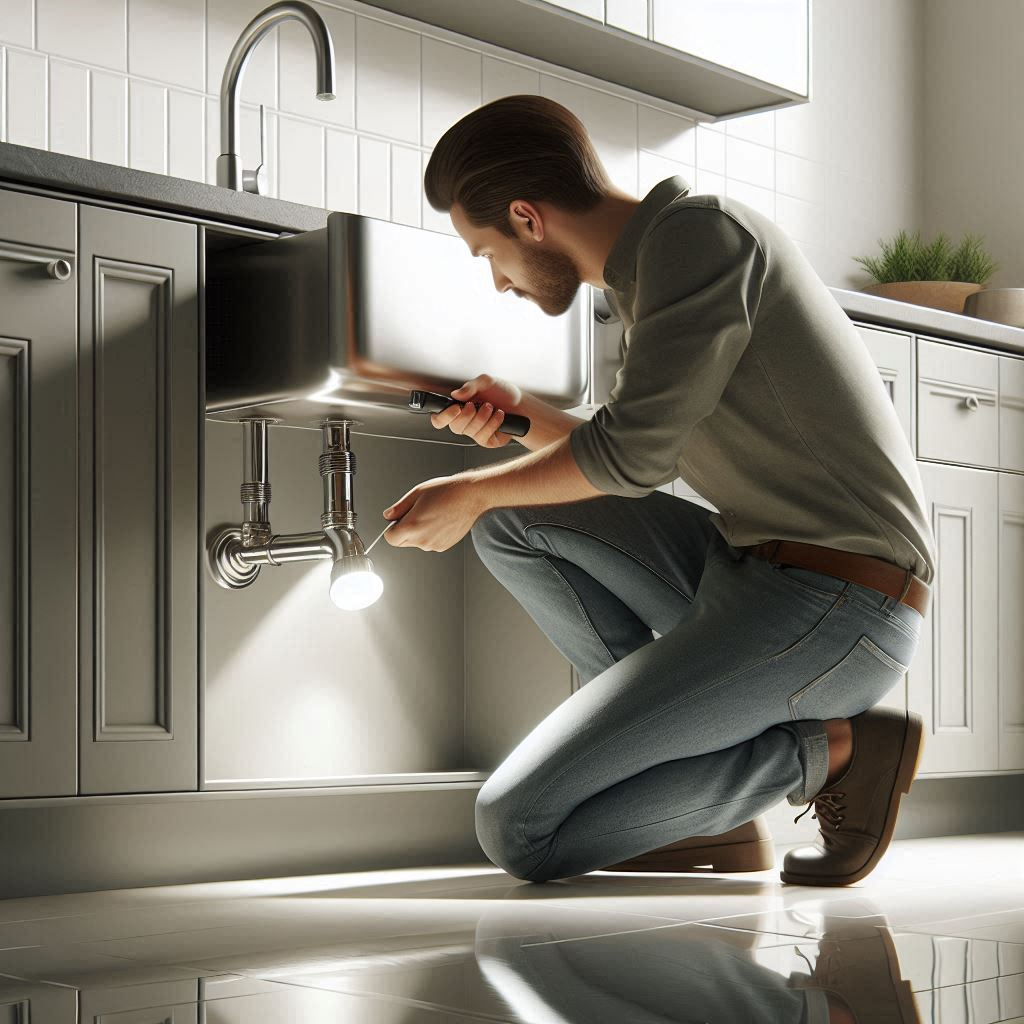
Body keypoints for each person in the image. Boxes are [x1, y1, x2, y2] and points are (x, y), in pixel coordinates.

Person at [380, 94, 937, 887]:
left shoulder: (703, 238)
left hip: (840, 605)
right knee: (512, 523)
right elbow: (638, 446)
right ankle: (703, 802)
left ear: (527, 217)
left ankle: (839, 748)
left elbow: (631, 456)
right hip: (752, 574)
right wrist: (522, 422)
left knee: (519, 830)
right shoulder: (652, 272)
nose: (498, 282)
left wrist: (473, 491)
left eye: (486, 252)